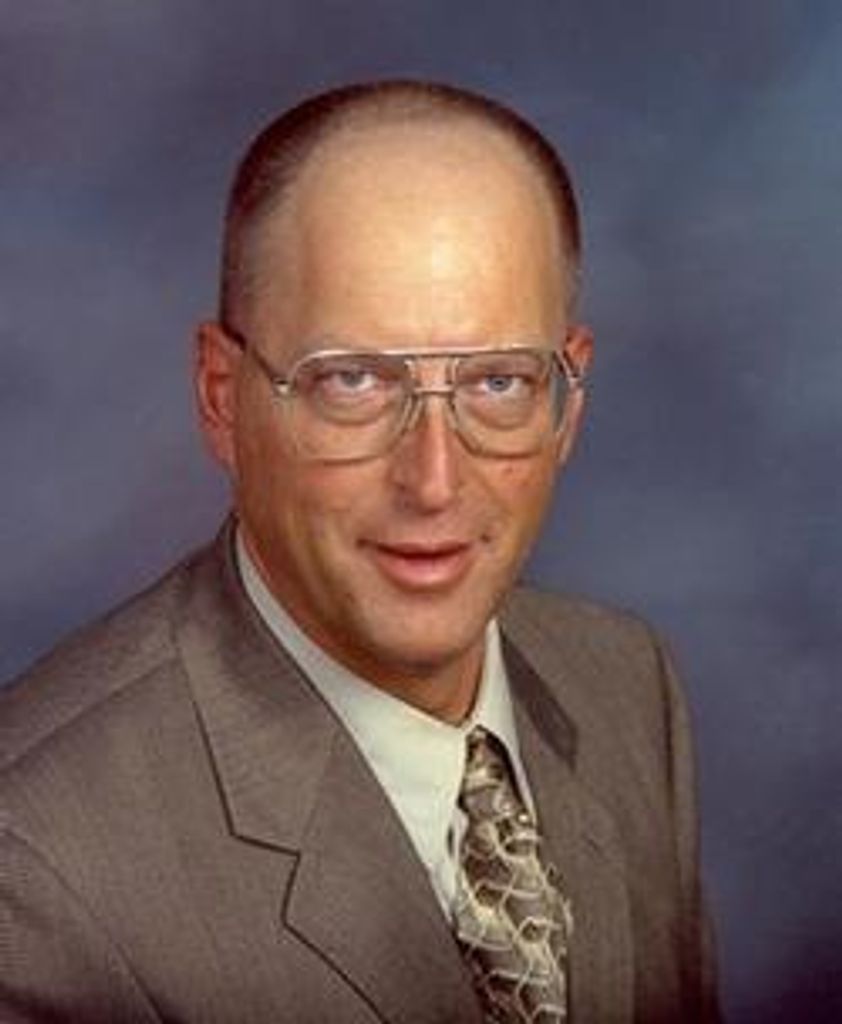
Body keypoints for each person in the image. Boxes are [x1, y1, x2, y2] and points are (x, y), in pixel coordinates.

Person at [0, 80, 719, 1023]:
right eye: (352, 382)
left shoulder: (627, 685)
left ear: (567, 401)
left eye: (498, 382)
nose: (434, 480)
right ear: (221, 396)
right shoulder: (34, 867)